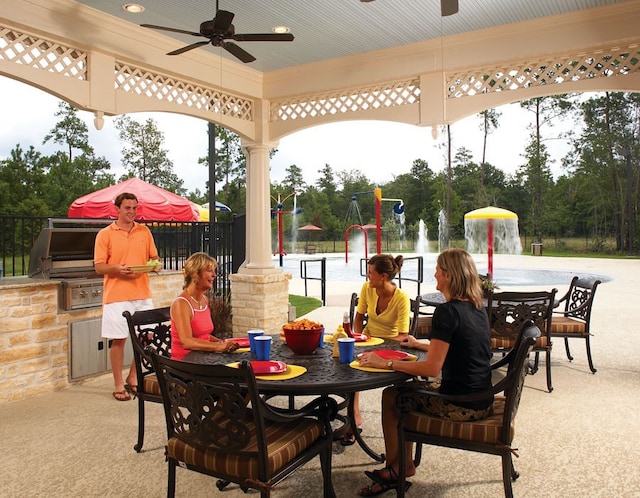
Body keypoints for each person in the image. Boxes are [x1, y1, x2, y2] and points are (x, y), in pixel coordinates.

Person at [355, 248, 493, 496]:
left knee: (392, 396)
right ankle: (401, 465)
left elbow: (431, 368)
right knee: (404, 391)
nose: (435, 274)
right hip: (480, 396)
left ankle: (398, 469)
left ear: (449, 275)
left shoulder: (447, 312)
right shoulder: (476, 308)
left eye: (438, 270)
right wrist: (419, 344)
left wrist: (385, 363)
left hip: (460, 404)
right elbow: (458, 346)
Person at [94, 192, 160, 402]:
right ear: (118, 209)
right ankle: (117, 384)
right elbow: (99, 267)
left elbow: (154, 258)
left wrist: (155, 266)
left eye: (134, 208)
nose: (131, 212)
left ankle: (133, 377)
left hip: (142, 293)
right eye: (127, 208)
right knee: (119, 340)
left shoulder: (144, 231)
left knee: (145, 339)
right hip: (117, 295)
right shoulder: (105, 234)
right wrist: (116, 269)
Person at [343, 254, 410, 446]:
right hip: (367, 341)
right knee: (350, 367)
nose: (367, 276)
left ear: (383, 276)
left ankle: (399, 427)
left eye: (370, 272)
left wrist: (379, 347)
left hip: (390, 346)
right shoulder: (367, 288)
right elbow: (359, 317)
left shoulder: (401, 298)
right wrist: (356, 337)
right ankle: (354, 418)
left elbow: (403, 335)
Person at [170, 252, 239, 360]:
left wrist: (223, 343)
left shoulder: (204, 300)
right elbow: (187, 342)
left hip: (204, 359)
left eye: (214, 271)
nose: (214, 275)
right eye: (209, 271)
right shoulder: (181, 304)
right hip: (185, 365)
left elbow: (203, 337)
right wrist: (217, 347)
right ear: (195, 274)